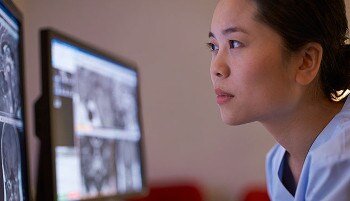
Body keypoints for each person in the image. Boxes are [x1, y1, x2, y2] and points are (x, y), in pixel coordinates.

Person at [207, 0, 350, 200]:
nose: (216, 68)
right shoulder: (277, 161)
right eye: (213, 46)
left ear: (305, 61)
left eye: (235, 43)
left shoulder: (342, 157)